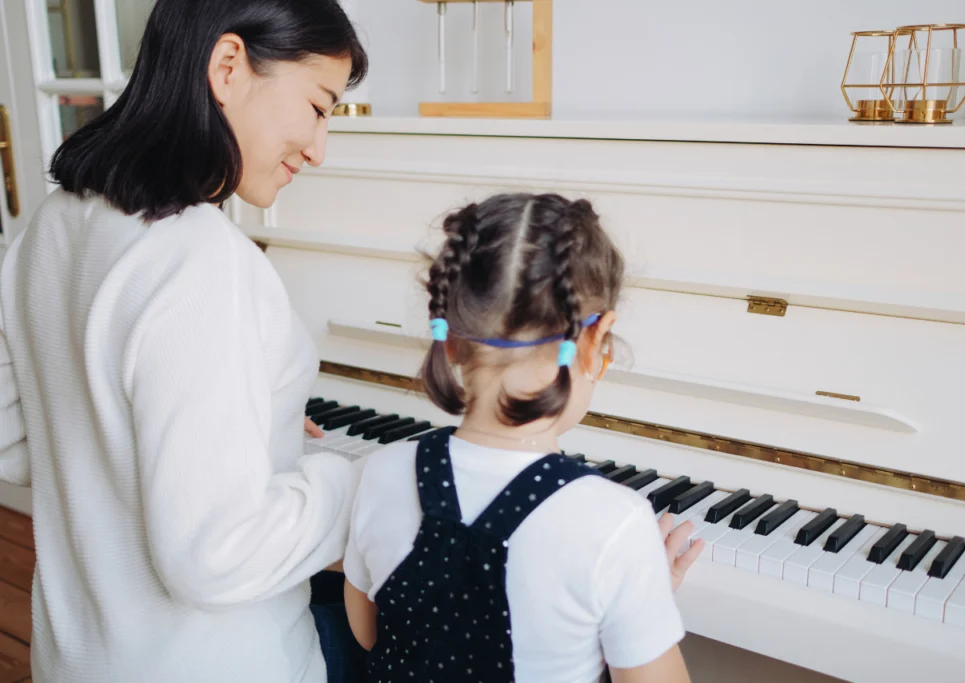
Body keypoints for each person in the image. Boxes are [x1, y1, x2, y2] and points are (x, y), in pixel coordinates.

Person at [0, 1, 369, 682]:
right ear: (228, 66)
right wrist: (355, 482)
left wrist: (244, 430)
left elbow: (17, 434)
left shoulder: (52, 221)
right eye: (319, 107)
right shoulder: (199, 254)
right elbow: (215, 554)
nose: (320, 148)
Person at [342, 193, 702, 683]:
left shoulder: (379, 471)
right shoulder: (613, 524)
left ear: (449, 337)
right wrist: (639, 597)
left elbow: (368, 636)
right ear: (598, 341)